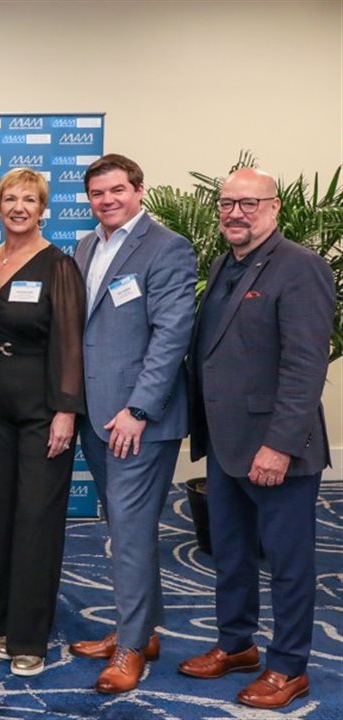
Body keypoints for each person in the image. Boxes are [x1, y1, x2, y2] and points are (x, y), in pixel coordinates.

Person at [179, 168, 333, 710]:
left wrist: (280, 444)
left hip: (275, 449)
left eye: (248, 203)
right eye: (226, 203)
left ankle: (289, 666)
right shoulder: (226, 262)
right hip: (225, 444)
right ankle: (236, 644)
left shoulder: (301, 268)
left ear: (274, 208)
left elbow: (305, 365)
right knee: (233, 555)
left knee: (288, 563)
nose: (234, 213)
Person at [66, 154, 196, 693]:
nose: (108, 200)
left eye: (117, 190)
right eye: (98, 193)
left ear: (139, 191)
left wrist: (139, 409)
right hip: (97, 417)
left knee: (132, 535)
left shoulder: (167, 248)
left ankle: (130, 647)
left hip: (136, 421)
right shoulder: (86, 246)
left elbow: (171, 335)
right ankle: (137, 628)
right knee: (125, 531)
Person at [0, 167, 85, 677]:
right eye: (9, 198)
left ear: (43, 208)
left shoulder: (58, 264)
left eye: (29, 199)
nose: (18, 207)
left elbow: (70, 342)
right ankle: (1, 623)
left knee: (36, 518)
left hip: (41, 405)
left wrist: (65, 410)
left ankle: (30, 635)